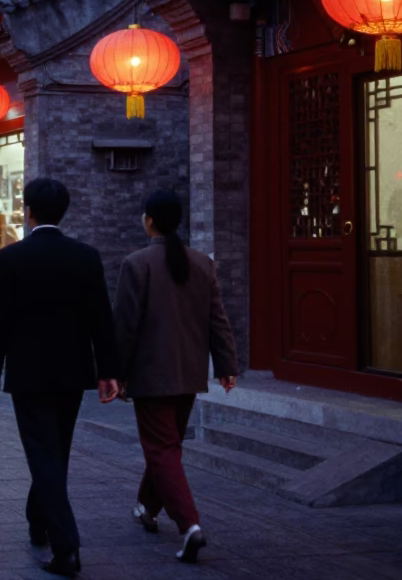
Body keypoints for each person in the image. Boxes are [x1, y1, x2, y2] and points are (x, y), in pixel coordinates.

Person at [0, 178, 120, 577]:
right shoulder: (86, 256)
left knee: (44, 454)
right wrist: (108, 371)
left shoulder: (10, 258)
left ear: (28, 211)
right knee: (54, 450)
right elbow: (101, 317)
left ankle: (67, 548)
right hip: (73, 372)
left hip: (28, 374)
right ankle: (37, 518)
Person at [113, 190, 238, 564]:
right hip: (189, 372)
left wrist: (116, 373)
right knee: (167, 446)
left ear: (148, 219)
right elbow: (218, 318)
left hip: (152, 376)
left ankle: (190, 526)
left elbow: (125, 326)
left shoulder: (137, 263)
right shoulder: (201, 263)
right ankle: (147, 507)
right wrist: (227, 365)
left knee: (162, 448)